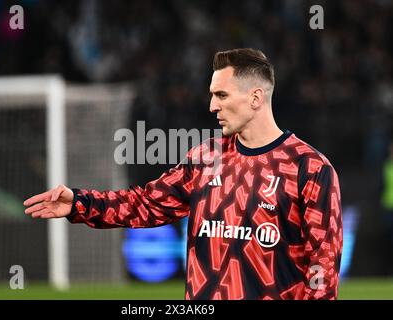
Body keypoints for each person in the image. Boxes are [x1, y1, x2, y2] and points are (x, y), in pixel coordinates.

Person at [24, 48, 343, 300]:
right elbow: (144, 204)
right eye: (212, 95)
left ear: (256, 97)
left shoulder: (309, 169)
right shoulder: (206, 158)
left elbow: (323, 268)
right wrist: (79, 203)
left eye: (221, 95)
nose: (211, 106)